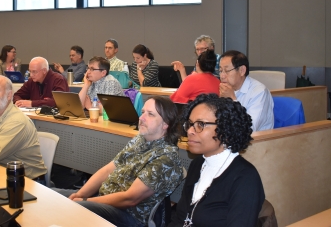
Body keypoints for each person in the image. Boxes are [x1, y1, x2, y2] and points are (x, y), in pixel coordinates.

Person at [54, 96, 184, 227]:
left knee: (73, 208)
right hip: (105, 197)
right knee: (51, 194)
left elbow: (130, 198)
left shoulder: (167, 158)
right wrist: (79, 194)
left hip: (128, 215)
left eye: (150, 114)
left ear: (165, 124)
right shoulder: (140, 139)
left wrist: (86, 200)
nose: (142, 118)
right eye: (143, 112)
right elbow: (107, 170)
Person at [168, 94, 265, 227]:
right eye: (190, 124)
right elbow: (180, 219)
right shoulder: (198, 164)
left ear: (225, 129)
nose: (190, 131)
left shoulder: (245, 178)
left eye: (200, 124)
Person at [219, 50, 274, 132]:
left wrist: (232, 100)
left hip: (256, 142)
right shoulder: (226, 89)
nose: (222, 76)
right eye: (220, 71)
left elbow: (249, 129)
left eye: (226, 71)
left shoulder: (259, 92)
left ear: (242, 70)